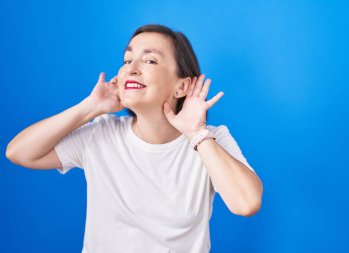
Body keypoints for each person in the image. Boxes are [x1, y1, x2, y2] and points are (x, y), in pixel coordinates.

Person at [6, 24, 263, 253]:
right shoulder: (101, 133)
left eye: (149, 61)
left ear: (181, 87)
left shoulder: (211, 140)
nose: (132, 69)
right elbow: (19, 152)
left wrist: (196, 134)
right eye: (127, 60)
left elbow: (246, 203)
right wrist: (90, 107)